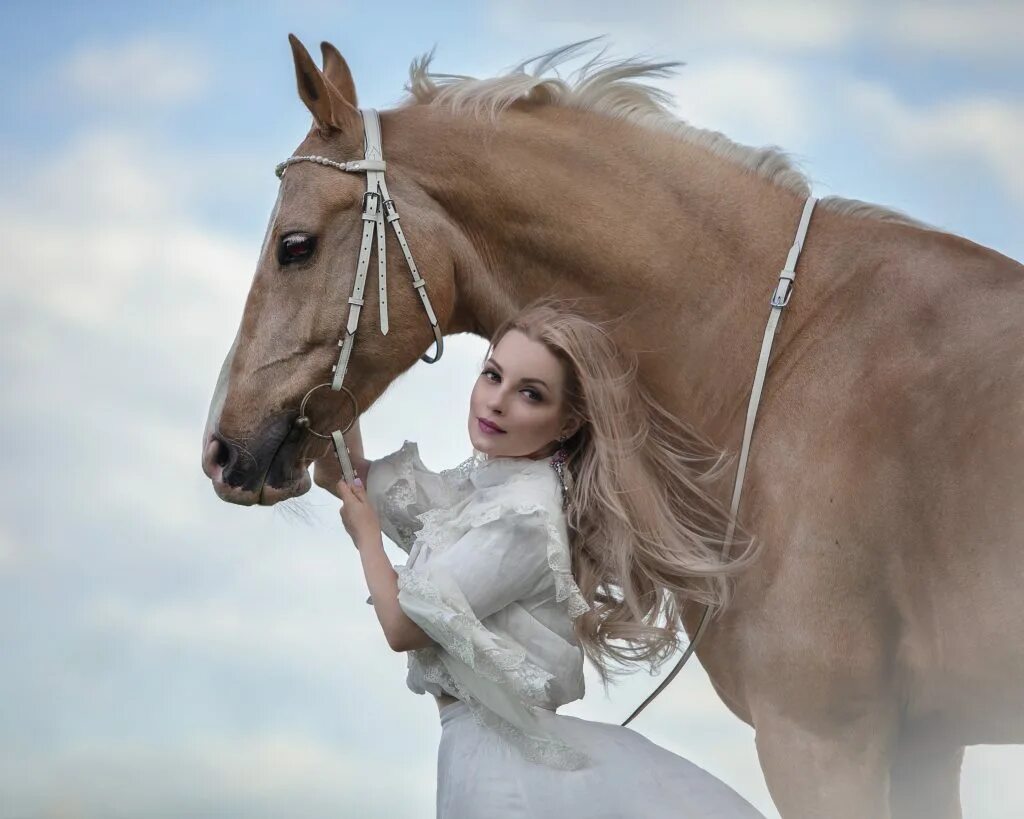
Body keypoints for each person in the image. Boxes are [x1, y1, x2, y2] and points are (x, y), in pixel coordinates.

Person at [334, 298, 766, 818]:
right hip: (478, 753)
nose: (496, 402)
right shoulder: (480, 493)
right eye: (492, 375)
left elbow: (405, 627)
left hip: (503, 772)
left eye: (530, 394)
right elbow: (343, 475)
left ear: (566, 423)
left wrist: (367, 540)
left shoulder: (523, 514)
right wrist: (334, 380)